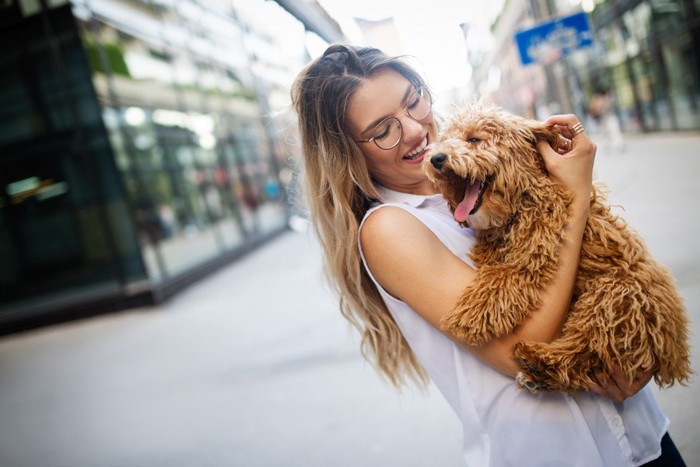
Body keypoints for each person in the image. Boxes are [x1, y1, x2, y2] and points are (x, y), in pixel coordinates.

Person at [291, 44, 685, 466]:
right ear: (349, 151)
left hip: (640, 432)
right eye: (382, 129)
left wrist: (633, 346)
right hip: (557, 454)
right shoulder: (389, 228)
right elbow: (524, 350)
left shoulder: (477, 173)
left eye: (413, 101)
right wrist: (573, 195)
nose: (413, 130)